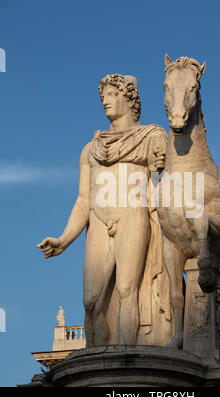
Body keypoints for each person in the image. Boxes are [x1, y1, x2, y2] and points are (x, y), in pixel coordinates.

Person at [37, 74, 171, 347]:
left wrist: (160, 170)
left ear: (129, 98)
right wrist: (64, 240)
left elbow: (167, 188)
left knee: (126, 291)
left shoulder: (152, 137)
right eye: (103, 98)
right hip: (98, 222)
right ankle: (97, 355)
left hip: (133, 216)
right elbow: (83, 201)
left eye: (112, 96)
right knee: (91, 301)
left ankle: (125, 356)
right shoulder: (91, 150)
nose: (105, 103)